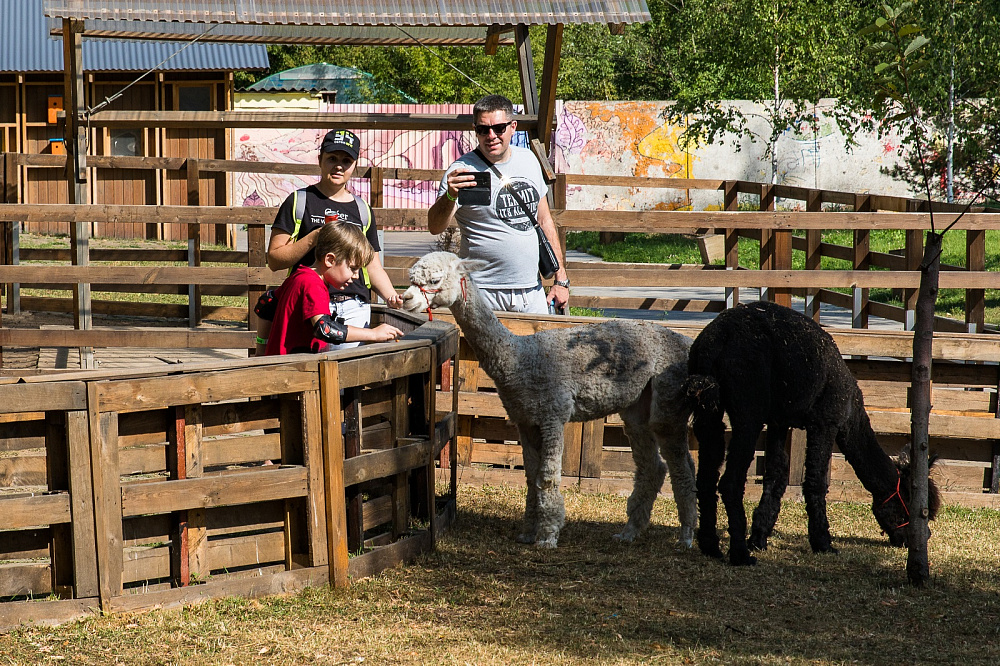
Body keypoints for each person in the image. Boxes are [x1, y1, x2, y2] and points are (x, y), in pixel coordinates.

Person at [426, 94, 570, 314]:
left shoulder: (529, 160)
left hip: (531, 291)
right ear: (475, 130)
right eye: (483, 130)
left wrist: (561, 280)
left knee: (542, 348)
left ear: (513, 127)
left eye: (499, 128)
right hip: (482, 292)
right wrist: (450, 195)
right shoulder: (462, 170)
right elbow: (435, 227)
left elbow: (544, 220)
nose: (491, 136)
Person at [261, 129, 401, 353]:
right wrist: (316, 237)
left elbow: (372, 264)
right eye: (332, 158)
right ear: (320, 159)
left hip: (355, 305)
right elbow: (275, 260)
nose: (339, 166)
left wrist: (391, 296)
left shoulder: (362, 210)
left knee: (344, 379)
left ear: (355, 165)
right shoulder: (299, 201)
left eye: (346, 160)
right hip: (310, 306)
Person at [263, 222, 402, 356]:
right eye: (353, 268)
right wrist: (373, 334)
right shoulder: (313, 284)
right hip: (292, 371)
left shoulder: (299, 276)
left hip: (282, 367)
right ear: (330, 260)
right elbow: (325, 329)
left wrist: (260, 347)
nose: (356, 276)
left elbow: (266, 302)